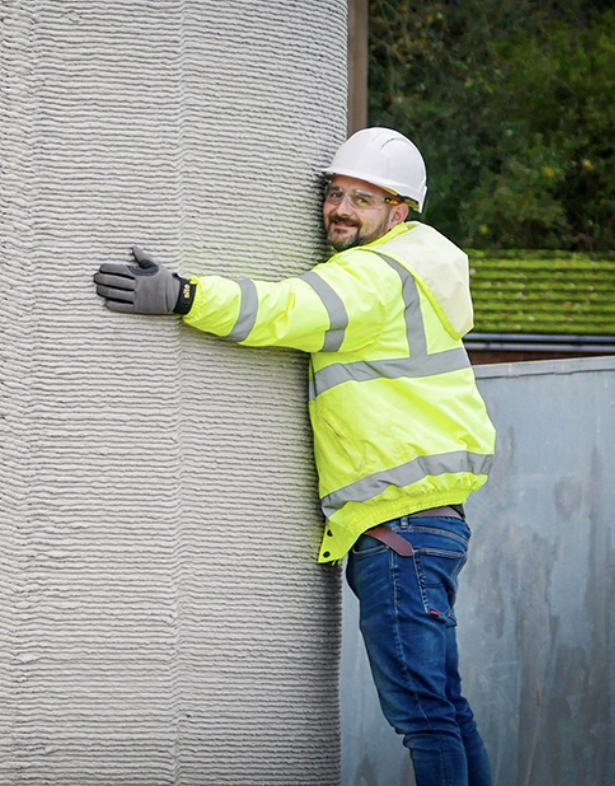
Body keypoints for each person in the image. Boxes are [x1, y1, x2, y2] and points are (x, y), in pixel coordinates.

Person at [93, 128, 496, 786]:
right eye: (335, 193)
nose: (339, 208)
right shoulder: (416, 271)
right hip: (423, 525)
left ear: (398, 213)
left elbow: (284, 309)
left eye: (361, 199)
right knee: (444, 707)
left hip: (397, 530)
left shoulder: (373, 276)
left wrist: (186, 295)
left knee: (424, 715)